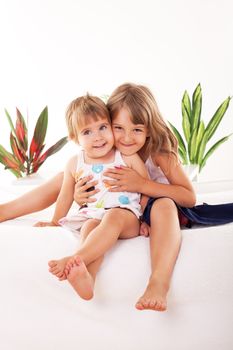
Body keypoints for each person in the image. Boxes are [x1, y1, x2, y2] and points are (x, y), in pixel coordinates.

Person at [1, 83, 233, 310]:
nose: (126, 137)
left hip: (156, 205)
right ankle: (7, 210)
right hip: (114, 207)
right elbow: (100, 191)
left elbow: (188, 197)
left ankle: (158, 283)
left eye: (137, 129)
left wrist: (142, 185)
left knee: (162, 205)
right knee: (65, 177)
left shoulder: (159, 152)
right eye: (118, 127)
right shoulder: (108, 152)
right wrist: (79, 196)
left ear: (149, 129)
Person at [34, 93, 148, 300]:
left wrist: (146, 220)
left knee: (113, 216)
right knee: (89, 227)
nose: (98, 136)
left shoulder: (126, 156)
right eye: (87, 132)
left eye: (103, 127)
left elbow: (146, 186)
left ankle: (75, 258)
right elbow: (65, 196)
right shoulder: (74, 163)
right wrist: (54, 221)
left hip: (127, 218)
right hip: (94, 215)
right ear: (75, 138)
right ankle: (87, 279)